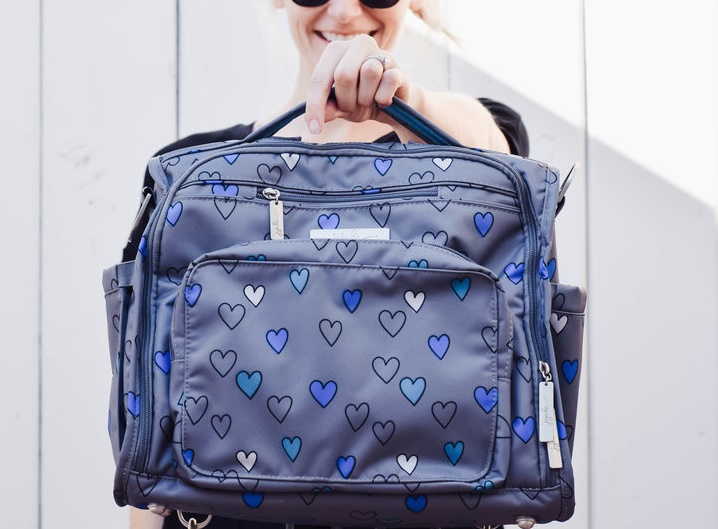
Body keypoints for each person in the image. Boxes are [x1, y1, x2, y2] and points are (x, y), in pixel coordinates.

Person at [130, 0, 526, 527]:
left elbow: (498, 159)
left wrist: (408, 101)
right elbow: (154, 431)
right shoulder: (192, 171)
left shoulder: (464, 139)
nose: (343, 12)